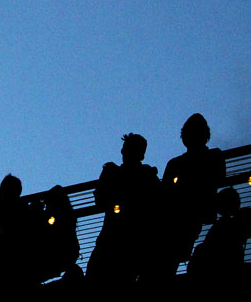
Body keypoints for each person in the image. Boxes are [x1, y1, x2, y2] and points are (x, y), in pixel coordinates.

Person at [86, 133, 161, 284]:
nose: (124, 152)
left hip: (132, 239)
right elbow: (100, 199)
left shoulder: (147, 175)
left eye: (129, 149)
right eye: (125, 148)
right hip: (113, 237)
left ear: (140, 154)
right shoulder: (112, 172)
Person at [159, 114, 226, 275]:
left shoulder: (178, 163)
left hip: (186, 215)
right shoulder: (177, 163)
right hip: (182, 216)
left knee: (171, 255)